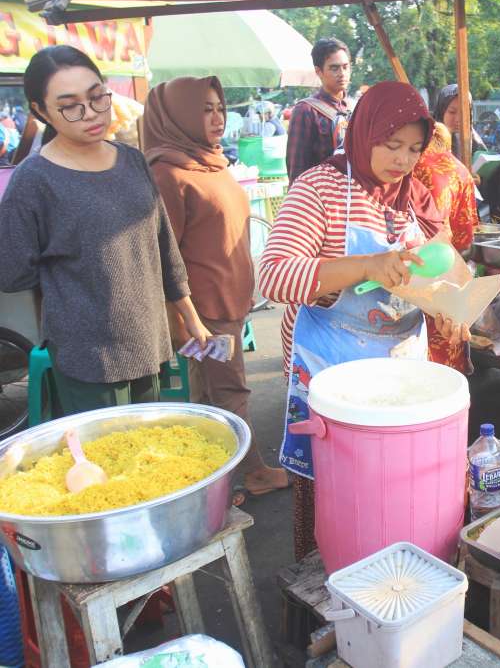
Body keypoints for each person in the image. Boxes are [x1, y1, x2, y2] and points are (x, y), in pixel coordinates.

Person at [257, 81, 470, 560]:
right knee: (334, 490)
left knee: (394, 488)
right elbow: (273, 276)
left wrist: (455, 302)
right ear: (363, 132)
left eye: (414, 149)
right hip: (331, 365)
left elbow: (445, 262)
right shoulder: (320, 189)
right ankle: (327, 575)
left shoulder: (415, 196)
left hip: (399, 368)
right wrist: (365, 267)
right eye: (391, 145)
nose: (402, 160)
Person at [0, 45, 209, 414]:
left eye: (97, 97)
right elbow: (12, 271)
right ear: (39, 110)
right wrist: (71, 274)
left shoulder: (130, 160)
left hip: (149, 339)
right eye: (70, 105)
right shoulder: (34, 179)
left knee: (151, 452)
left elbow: (162, 244)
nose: (91, 114)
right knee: (104, 460)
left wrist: (189, 315)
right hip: (87, 356)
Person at [144, 76, 290, 503]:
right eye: (204, 109)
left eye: (219, 108)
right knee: (225, 392)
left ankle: (218, 479)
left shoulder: (210, 161)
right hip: (202, 308)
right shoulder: (167, 172)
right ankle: (244, 474)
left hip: (229, 298)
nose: (216, 118)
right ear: (179, 115)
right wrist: (182, 319)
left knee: (214, 393)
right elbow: (162, 252)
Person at [413, 121, 477, 372]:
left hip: (401, 274)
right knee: (444, 346)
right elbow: (464, 236)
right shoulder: (459, 169)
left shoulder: (400, 166)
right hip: (443, 272)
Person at [285, 37, 351, 184]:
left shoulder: (354, 109)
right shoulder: (306, 110)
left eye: (345, 67)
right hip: (320, 196)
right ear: (319, 71)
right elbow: (297, 168)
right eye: (334, 68)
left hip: (353, 197)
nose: (342, 73)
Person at [432, 84, 486, 160]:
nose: (458, 119)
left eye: (464, 113)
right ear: (441, 112)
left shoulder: (473, 139)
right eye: (452, 112)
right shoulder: (429, 142)